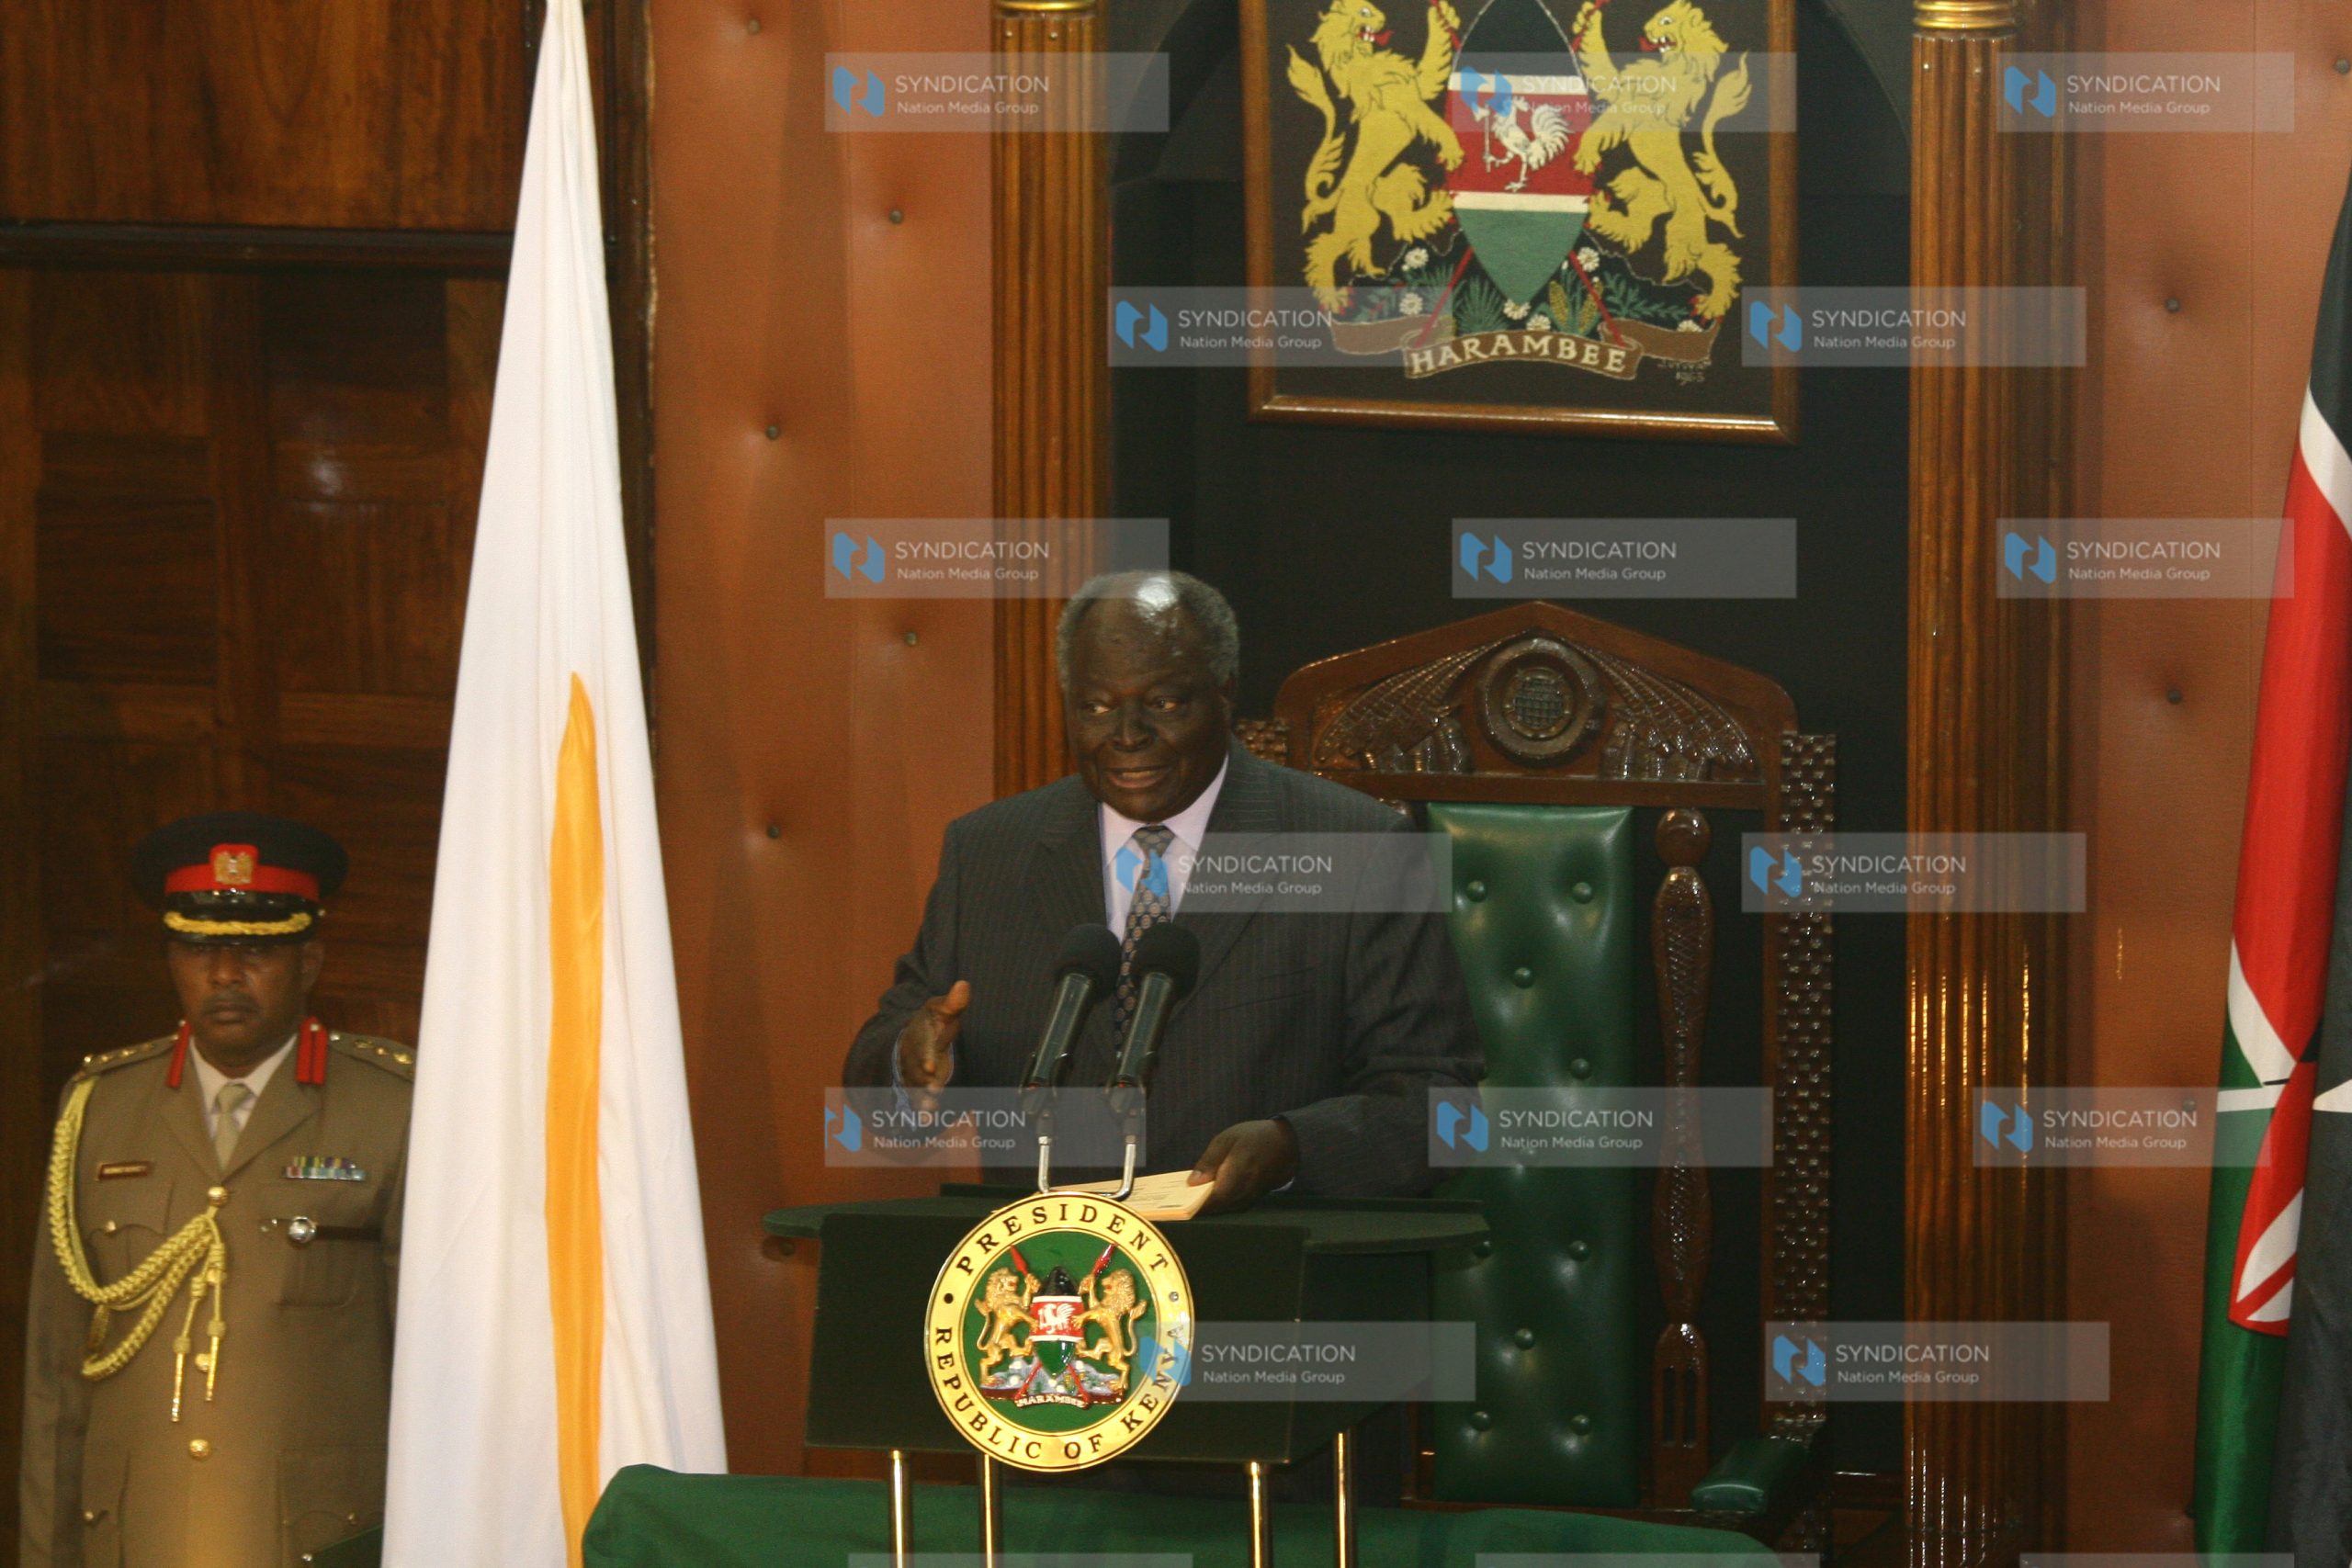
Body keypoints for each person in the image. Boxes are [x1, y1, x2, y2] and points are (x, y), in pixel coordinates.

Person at [842, 570, 1483, 1213]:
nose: (1126, 734)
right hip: (1049, 1288)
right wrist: (910, 1065)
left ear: (1225, 693)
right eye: (1095, 706)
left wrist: (1293, 1147)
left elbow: (1439, 1110)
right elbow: (885, 1102)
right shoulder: (987, 853)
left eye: (1164, 703)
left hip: (1258, 1280)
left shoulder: (1361, 849)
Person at [19, 812, 413, 1568]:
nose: (226, 972)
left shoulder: (390, 1110)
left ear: (310, 961)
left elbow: (438, 1371)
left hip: (316, 1537)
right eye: (200, 947)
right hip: (137, 1536)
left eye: (258, 949)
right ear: (171, 959)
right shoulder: (98, 1109)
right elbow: (54, 1380)